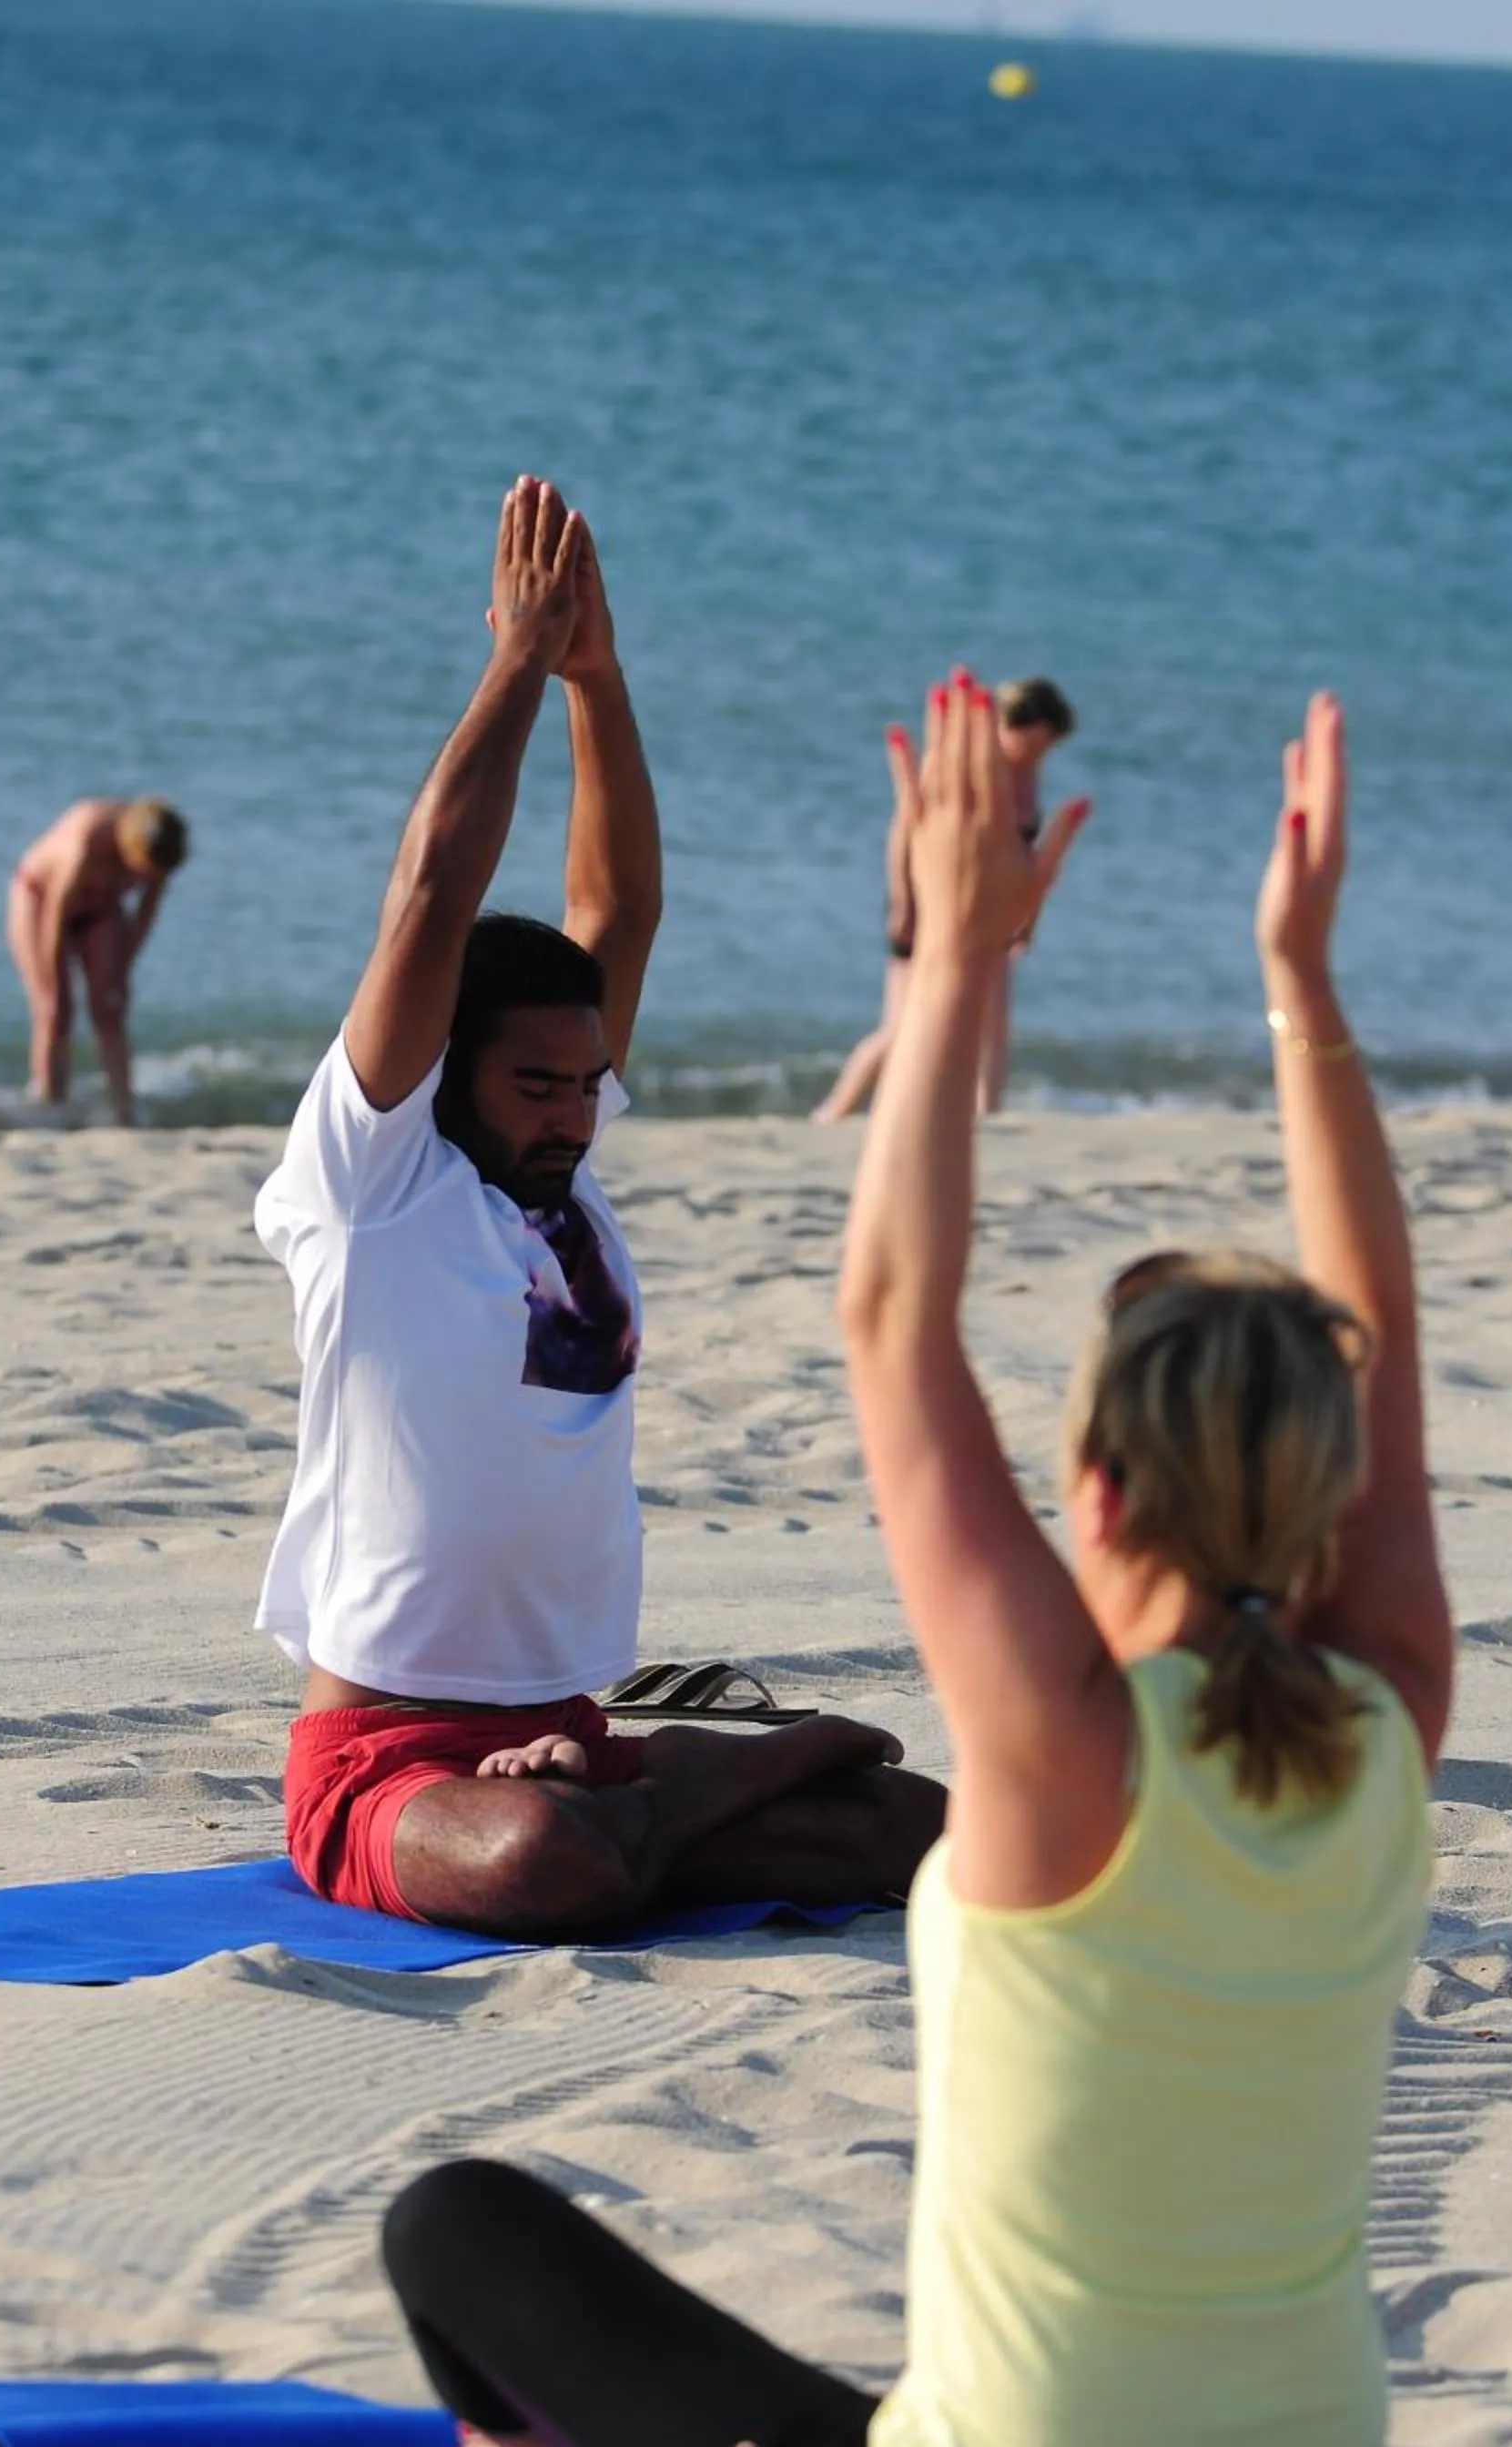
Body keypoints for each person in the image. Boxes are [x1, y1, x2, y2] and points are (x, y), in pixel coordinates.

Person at [379, 683, 1452, 2447]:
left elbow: (889, 1317)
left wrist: (953, 953)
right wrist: (1299, 983)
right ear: (1325, 1484)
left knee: (459, 2225)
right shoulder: (1390, 1714)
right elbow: (1375, 1343)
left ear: (1099, 1490)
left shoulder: (1061, 1746)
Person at [254, 477, 943, 1936]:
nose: (575, 1109)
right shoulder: (376, 1185)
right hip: (390, 1762)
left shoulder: (558, 1193)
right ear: (447, 1071)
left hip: (571, 1731)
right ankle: (699, 1786)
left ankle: (652, 1801)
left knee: (922, 1829)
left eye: (588, 1082)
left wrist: (601, 679)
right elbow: (434, 895)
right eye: (538, 1084)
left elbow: (618, 910)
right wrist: (515, 662)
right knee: (533, 1867)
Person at [815, 675, 1081, 1125]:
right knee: (900, 1028)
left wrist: (1029, 918)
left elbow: (1027, 856)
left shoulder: (1028, 774)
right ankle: (833, 1114)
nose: (1043, 753)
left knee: (992, 1023)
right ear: (1021, 727)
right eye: (1041, 741)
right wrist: (903, 903)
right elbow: (907, 830)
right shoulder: (957, 767)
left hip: (992, 907)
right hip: (929, 902)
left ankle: (985, 1117)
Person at [5, 796, 188, 1124]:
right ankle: (51, 1104)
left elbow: (144, 914)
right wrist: (53, 974)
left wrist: (123, 968)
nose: (149, 879)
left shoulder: (161, 852)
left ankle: (123, 1111)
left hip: (101, 909)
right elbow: (55, 915)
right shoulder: (88, 840)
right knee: (53, 1009)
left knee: (110, 1006)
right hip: (41, 899)